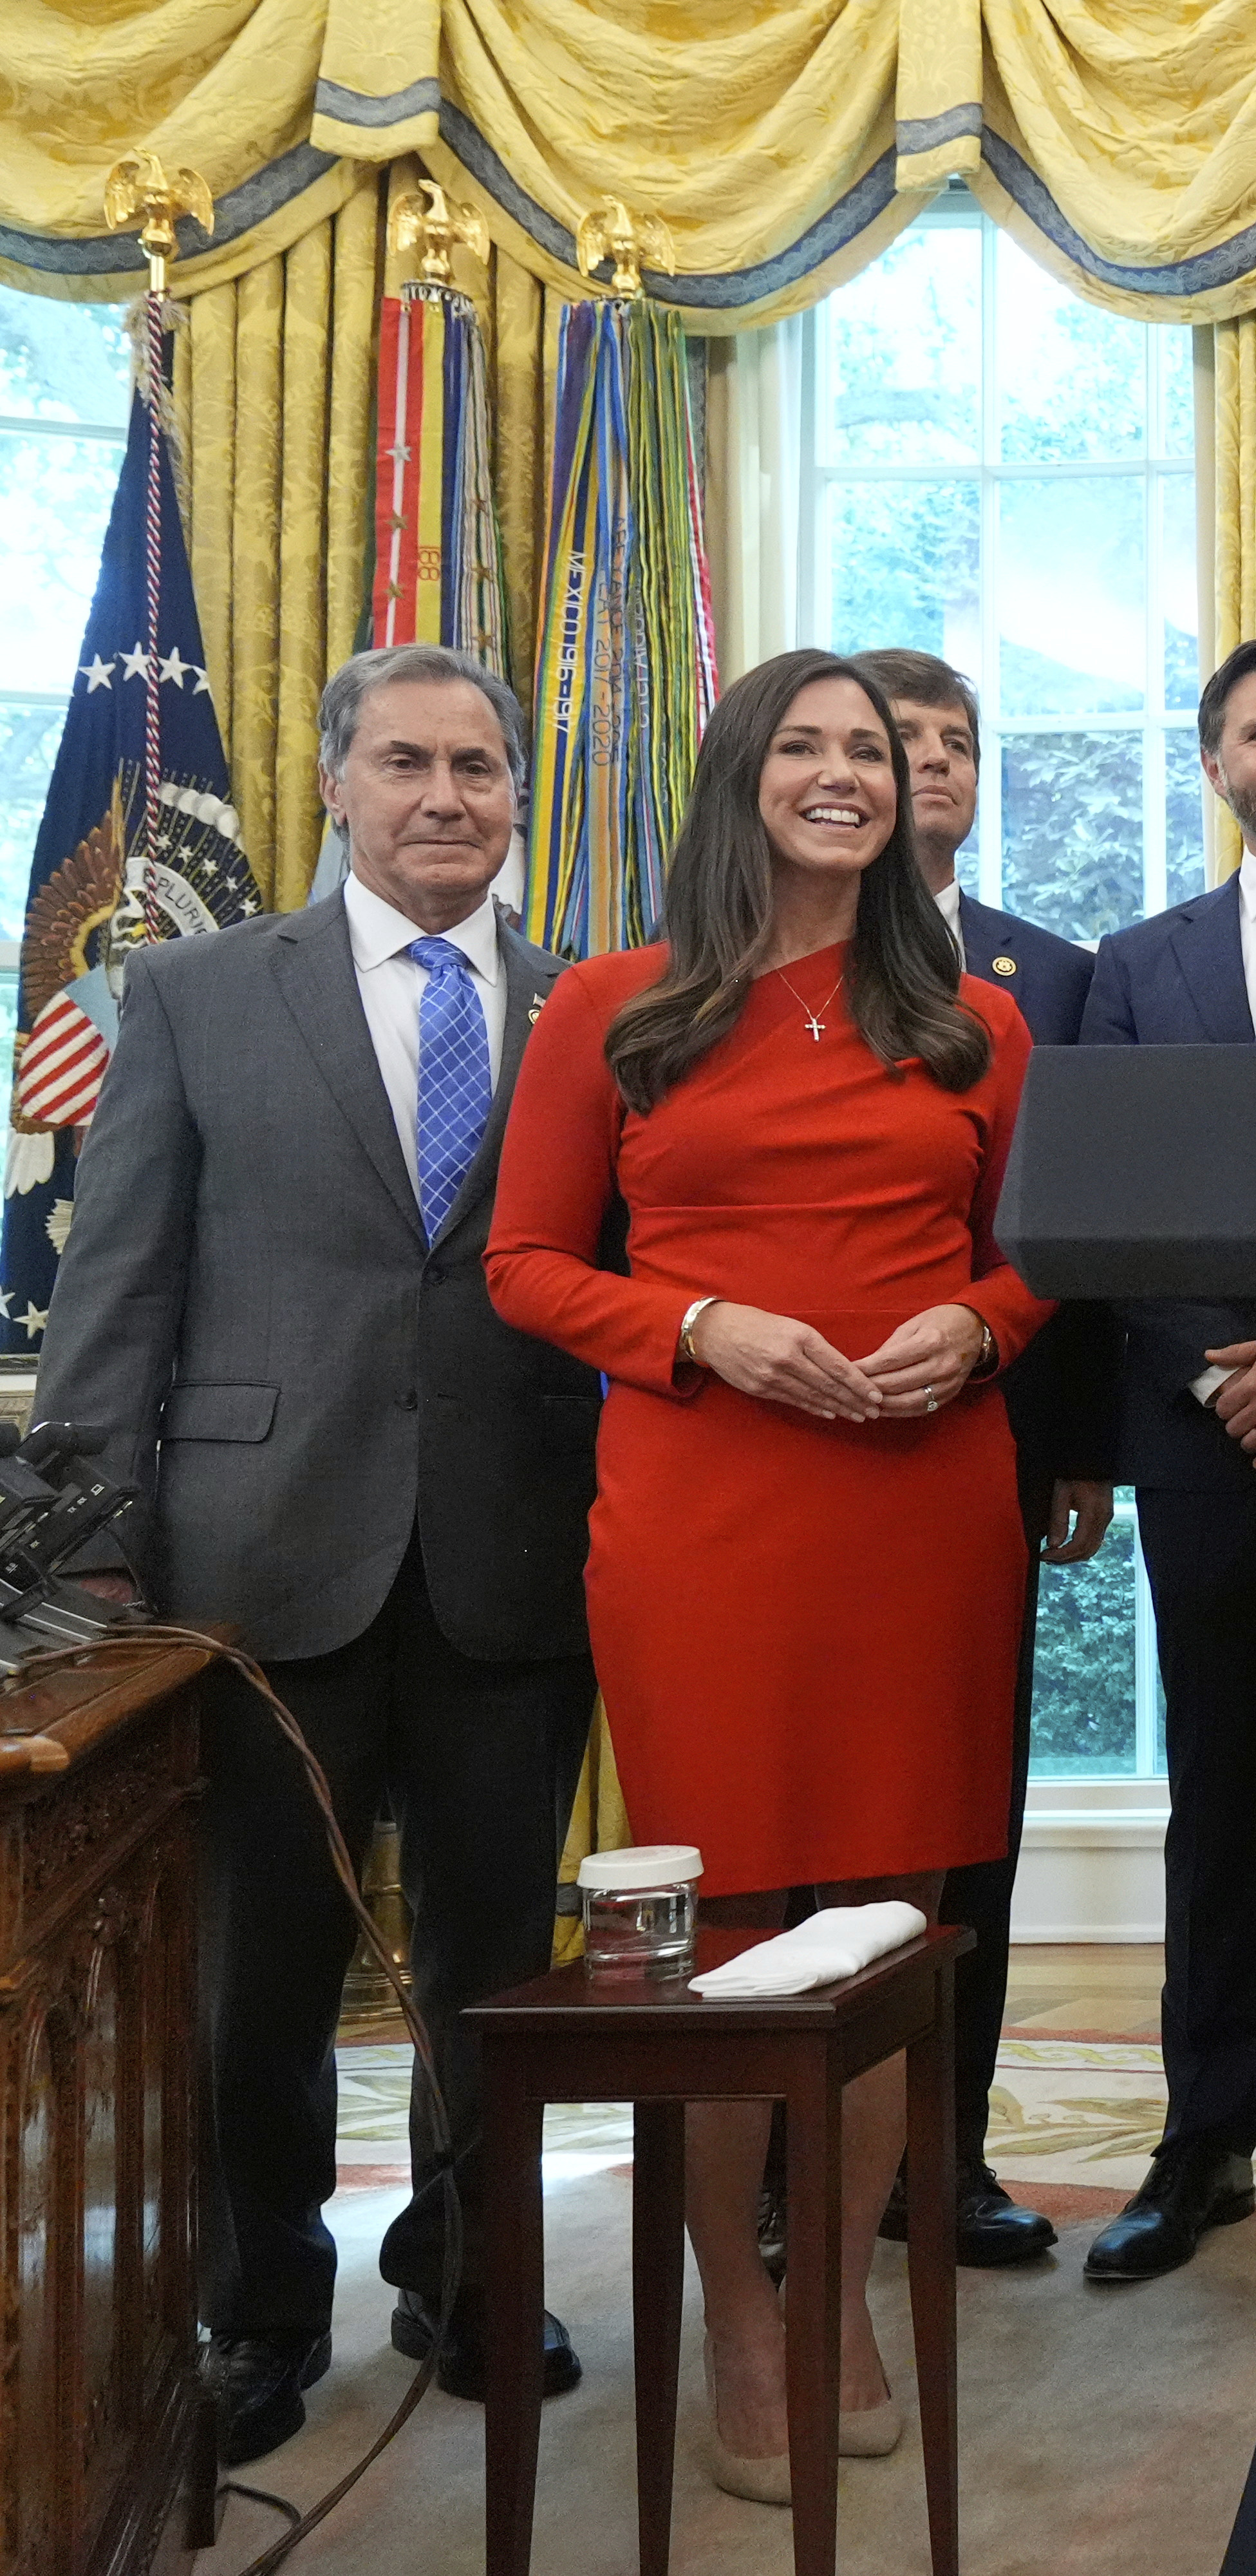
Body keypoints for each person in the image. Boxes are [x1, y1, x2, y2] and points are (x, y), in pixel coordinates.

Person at [487, 649, 1049, 2501]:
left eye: (868, 750)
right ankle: (737, 2304)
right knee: (722, 1930)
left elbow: (1040, 1253)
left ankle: (841, 2296)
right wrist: (703, 1326)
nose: (842, 774)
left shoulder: (974, 1020)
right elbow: (524, 1264)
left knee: (886, 1922)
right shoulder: (612, 1005)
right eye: (803, 745)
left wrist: (982, 1328)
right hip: (704, 1512)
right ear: (739, 774)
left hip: (921, 1509)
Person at [40, 642, 597, 2465]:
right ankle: (259, 2306)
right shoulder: (195, 993)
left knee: (497, 1963)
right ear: (339, 785)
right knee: (258, 1977)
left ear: (514, 794)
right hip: (261, 1561)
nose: (446, 796)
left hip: (521, 1555)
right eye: (408, 763)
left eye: (478, 767)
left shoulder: (591, 1007)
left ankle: (474, 2275)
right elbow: (120, 1285)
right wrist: (94, 1558)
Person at [1067, 634, 1256, 2282]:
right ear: (1215, 764)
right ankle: (1205, 2144)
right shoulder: (1139, 964)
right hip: (1204, 1437)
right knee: (1223, 1797)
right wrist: (1230, 1369)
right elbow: (1116, 1200)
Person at [842, 648, 1114, 2270]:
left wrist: (1075, 1442)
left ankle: (945, 2153)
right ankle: (793, 2155)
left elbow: (1061, 1223)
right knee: (799, 1823)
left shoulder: (1051, 976)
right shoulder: (747, 965)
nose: (933, 761)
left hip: (990, 1434)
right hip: (783, 1440)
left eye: (958, 740)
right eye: (902, 738)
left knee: (969, 1813)